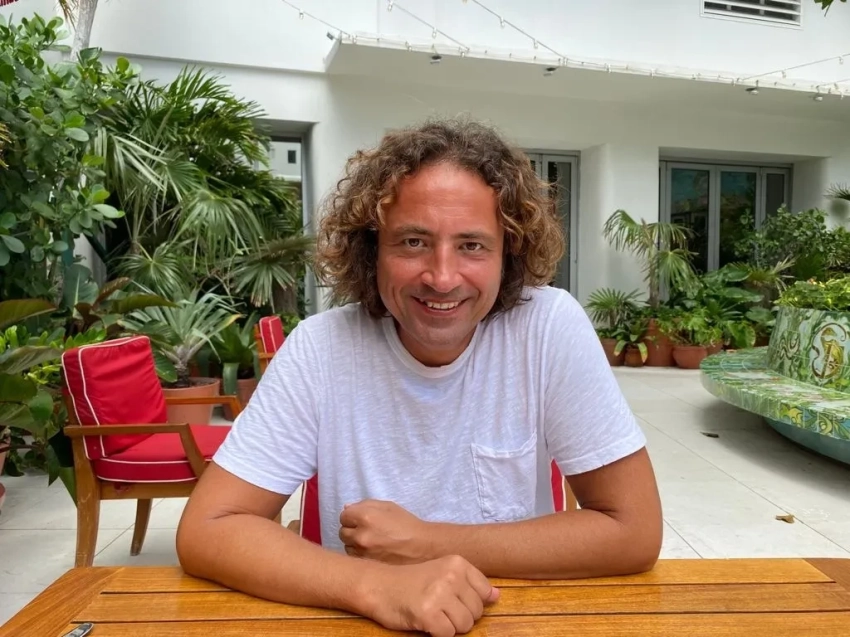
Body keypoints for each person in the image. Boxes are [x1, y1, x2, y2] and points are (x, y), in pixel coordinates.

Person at [176, 117, 663, 637]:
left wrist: (428, 542)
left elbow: (633, 530)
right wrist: (376, 587)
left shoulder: (546, 328)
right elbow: (208, 528)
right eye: (413, 242)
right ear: (372, 251)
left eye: (472, 245)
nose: (442, 277)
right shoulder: (321, 349)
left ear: (509, 254)